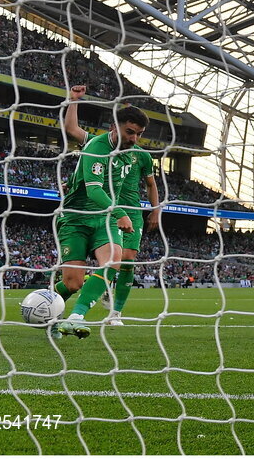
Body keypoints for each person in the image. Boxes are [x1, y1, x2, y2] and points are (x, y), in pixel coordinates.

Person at [63, 84, 161, 326]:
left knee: (122, 258)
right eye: (130, 132)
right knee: (74, 282)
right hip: (87, 212)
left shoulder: (139, 154)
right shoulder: (97, 145)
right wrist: (74, 100)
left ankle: (103, 313)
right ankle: (91, 286)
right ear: (113, 128)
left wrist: (155, 209)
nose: (134, 139)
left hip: (118, 214)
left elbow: (150, 184)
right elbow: (71, 129)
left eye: (139, 134)